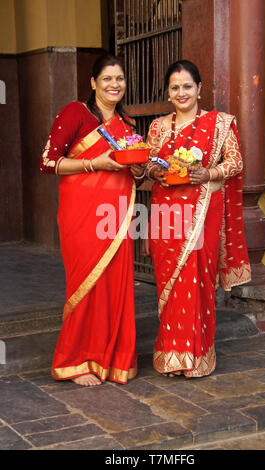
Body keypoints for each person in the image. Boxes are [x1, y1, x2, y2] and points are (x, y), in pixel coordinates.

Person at [40, 51, 145, 386]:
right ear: (93, 83)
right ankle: (76, 359)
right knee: (86, 285)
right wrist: (94, 163)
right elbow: (48, 161)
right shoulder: (76, 113)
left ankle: (112, 359)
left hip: (116, 218)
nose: (114, 85)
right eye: (107, 79)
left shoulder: (128, 126)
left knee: (114, 287)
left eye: (119, 79)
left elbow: (132, 173)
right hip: (82, 216)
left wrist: (141, 169)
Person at [143, 60, 251, 378]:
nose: (181, 92)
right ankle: (172, 356)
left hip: (203, 208)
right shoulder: (158, 127)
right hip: (166, 211)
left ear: (199, 89)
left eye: (187, 86)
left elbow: (235, 162)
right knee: (170, 283)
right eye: (175, 87)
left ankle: (197, 357)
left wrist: (208, 172)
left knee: (198, 281)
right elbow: (148, 162)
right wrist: (156, 171)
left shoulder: (220, 124)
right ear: (168, 91)